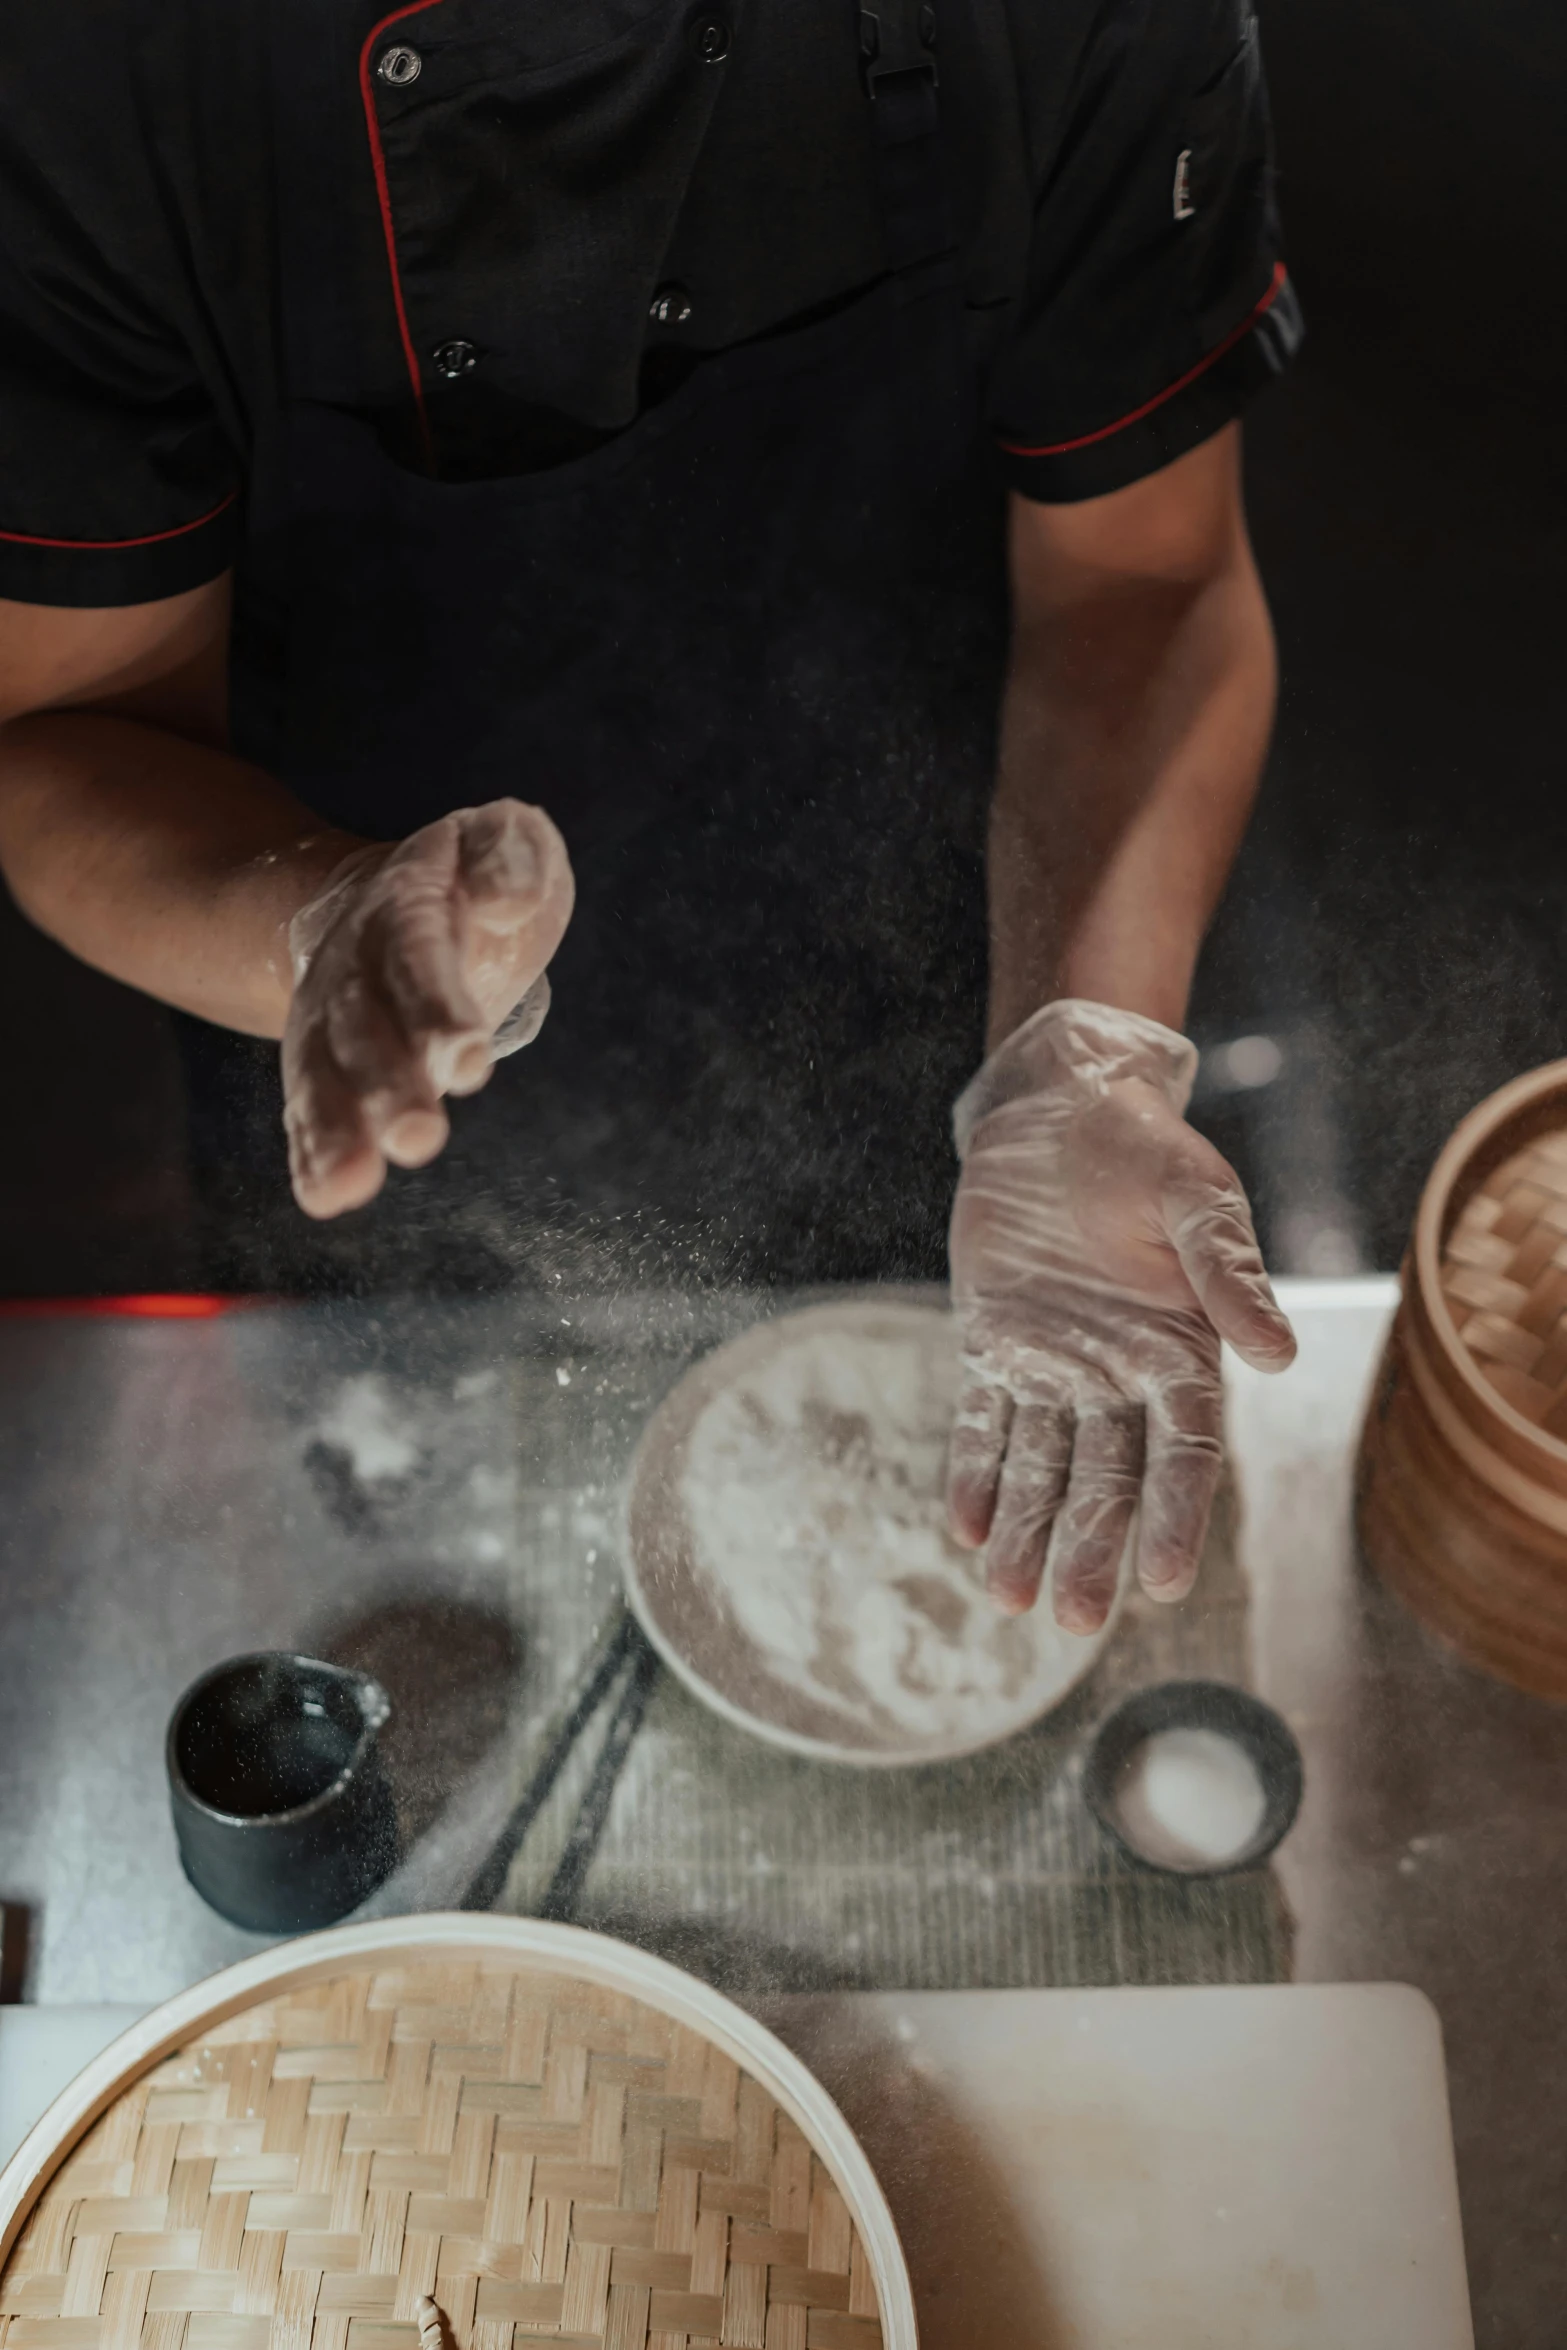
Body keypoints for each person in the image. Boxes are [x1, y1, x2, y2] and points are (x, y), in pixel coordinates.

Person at [0, 0, 1298, 1633]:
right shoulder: (100, 65)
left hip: (956, 978)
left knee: (986, 1568)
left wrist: (1081, 1045)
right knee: (427, 1586)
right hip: (374, 1050)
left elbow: (1142, 580)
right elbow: (72, 721)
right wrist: (325, 924)